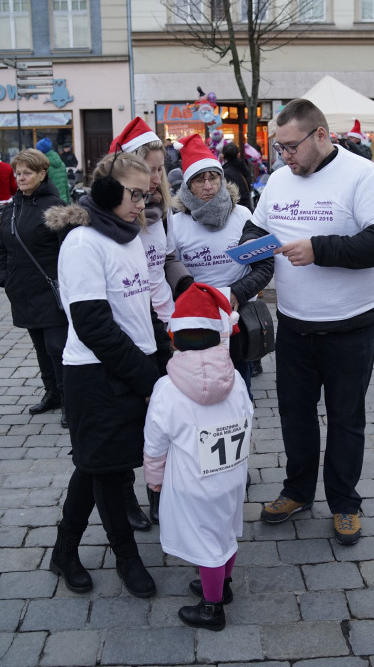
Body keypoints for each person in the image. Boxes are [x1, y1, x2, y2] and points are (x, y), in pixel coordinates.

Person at [240, 98, 374, 545]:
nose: (284, 156)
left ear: (321, 135)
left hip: (351, 325)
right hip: (294, 323)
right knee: (294, 414)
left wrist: (319, 249)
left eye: (291, 147)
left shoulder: (362, 175)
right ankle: (296, 492)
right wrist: (248, 254)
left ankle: (345, 503)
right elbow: (256, 229)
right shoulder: (278, 180)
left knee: (346, 417)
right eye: (279, 148)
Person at [45, 150, 171, 598]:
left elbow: (141, 307)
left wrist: (163, 355)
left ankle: (63, 550)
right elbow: (94, 327)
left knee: (95, 465)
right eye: (135, 194)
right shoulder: (83, 243)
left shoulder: (128, 236)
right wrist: (147, 379)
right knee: (111, 472)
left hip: (132, 369)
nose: (142, 203)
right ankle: (126, 559)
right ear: (106, 191)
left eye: (147, 193)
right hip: (96, 377)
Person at [144, 282, 254, 631]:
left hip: (193, 482)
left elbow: (155, 442)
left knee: (208, 544)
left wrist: (155, 480)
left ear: (174, 338)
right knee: (225, 533)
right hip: (231, 475)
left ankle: (211, 608)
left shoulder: (166, 389)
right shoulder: (234, 378)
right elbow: (248, 417)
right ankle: (222, 584)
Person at [109, 117, 193, 527]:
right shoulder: (117, 216)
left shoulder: (162, 210)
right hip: (128, 325)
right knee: (129, 415)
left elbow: (169, 259)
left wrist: (187, 288)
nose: (160, 176)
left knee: (166, 412)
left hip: (164, 322)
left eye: (162, 167)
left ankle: (160, 492)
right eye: (153, 168)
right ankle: (125, 495)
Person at [171, 133, 273, 397]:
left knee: (240, 389)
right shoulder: (176, 223)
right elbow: (169, 269)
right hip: (196, 319)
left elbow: (263, 266)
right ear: (187, 185)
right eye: (199, 180)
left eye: (213, 177)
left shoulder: (242, 216)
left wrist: (238, 292)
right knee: (200, 390)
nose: (208, 186)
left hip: (237, 319)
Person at [0, 149, 68, 427]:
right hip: (22, 290)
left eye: (28, 172)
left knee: (57, 347)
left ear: (42, 174)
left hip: (50, 289)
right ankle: (52, 393)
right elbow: (3, 247)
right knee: (39, 346)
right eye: (18, 173)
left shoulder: (56, 207)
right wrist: (5, 276)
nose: (21, 177)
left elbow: (69, 251)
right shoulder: (12, 207)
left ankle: (69, 400)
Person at [35, 138, 70, 204]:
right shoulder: (61, 163)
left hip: (49, 202)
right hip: (62, 200)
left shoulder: (43, 165)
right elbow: (66, 185)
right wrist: (68, 203)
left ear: (41, 151)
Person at [222, 142, 253, 210]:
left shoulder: (224, 174)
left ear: (223, 156)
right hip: (247, 209)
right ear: (238, 155)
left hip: (235, 210)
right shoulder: (244, 169)